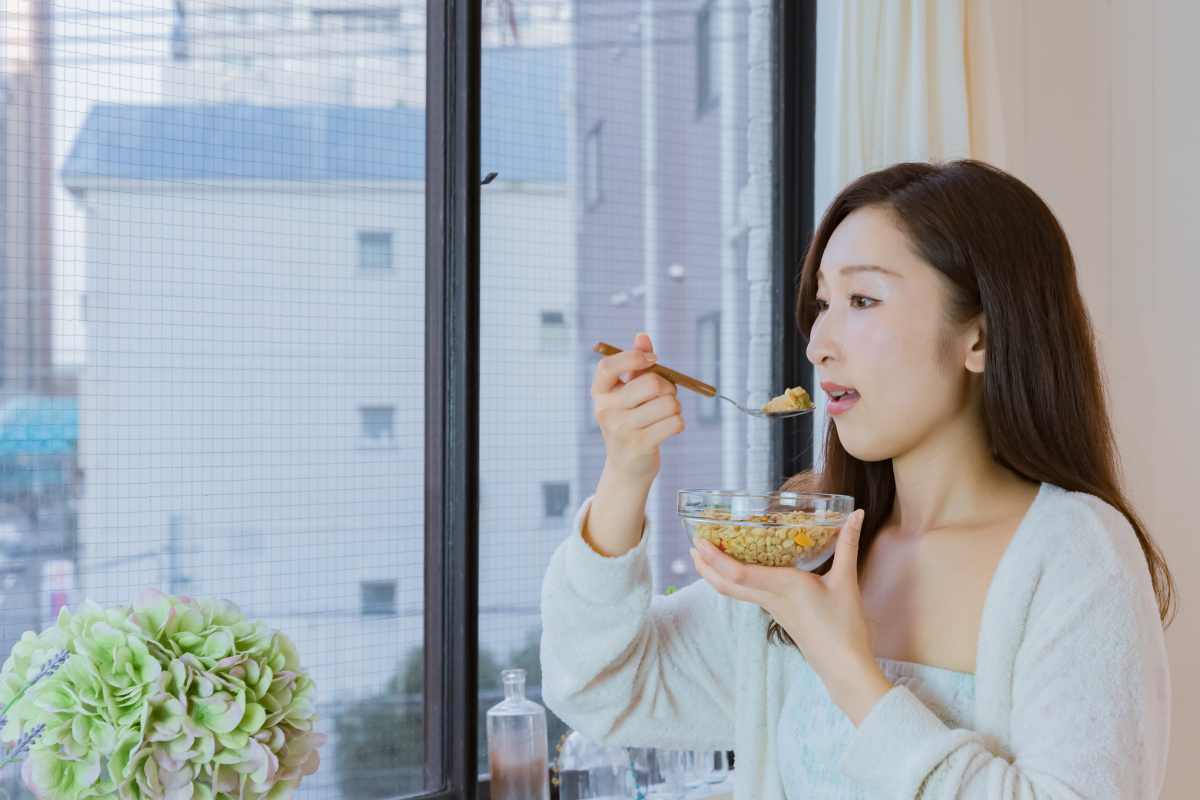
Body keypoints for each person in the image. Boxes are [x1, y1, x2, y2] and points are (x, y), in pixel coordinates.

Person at [540, 160, 1174, 799]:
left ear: (979, 338)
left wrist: (846, 667)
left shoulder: (1077, 555)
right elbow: (600, 687)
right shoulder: (809, 539)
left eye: (863, 299)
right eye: (822, 304)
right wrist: (625, 474)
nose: (818, 342)